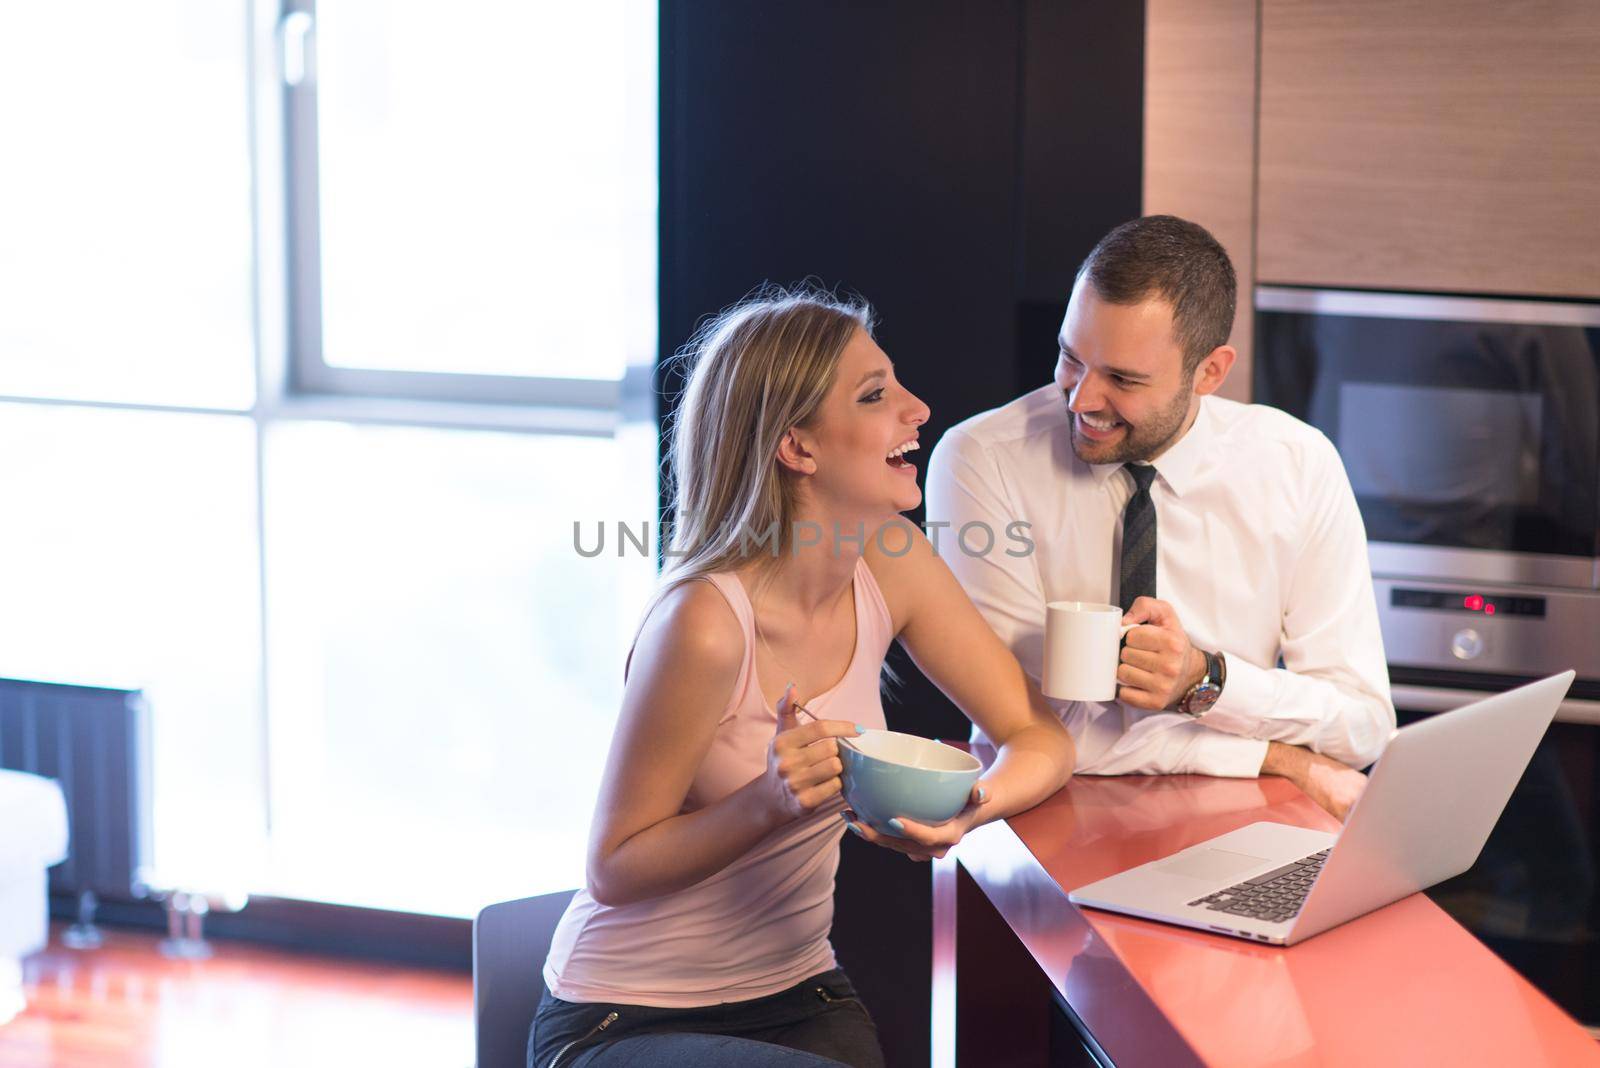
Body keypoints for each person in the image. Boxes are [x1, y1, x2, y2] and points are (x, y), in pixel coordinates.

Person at [532, 286, 1076, 1068]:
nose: (918, 409)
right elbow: (612, 866)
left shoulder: (894, 561)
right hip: (624, 1017)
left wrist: (969, 810)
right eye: (876, 395)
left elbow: (1039, 738)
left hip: (801, 994)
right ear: (797, 447)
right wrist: (770, 801)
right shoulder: (707, 623)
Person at [925, 215, 1395, 822]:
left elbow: (1362, 728)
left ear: (1210, 372)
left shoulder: (1297, 464)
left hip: (1239, 825)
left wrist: (1208, 679)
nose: (1080, 399)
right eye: (1070, 357)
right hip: (1036, 819)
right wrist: (1279, 757)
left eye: (1123, 378)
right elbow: (1042, 734)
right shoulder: (980, 461)